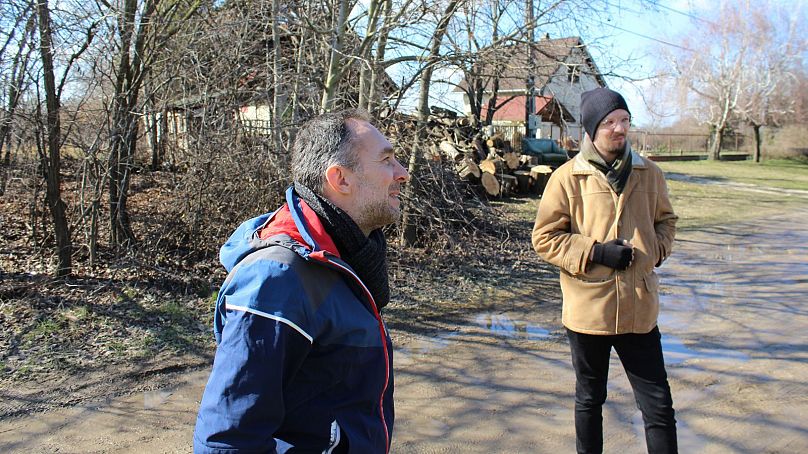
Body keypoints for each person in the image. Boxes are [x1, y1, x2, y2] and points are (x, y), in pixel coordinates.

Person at [193, 109, 409, 453]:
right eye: (387, 161)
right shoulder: (277, 279)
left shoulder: (346, 257)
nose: (402, 173)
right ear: (340, 179)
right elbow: (228, 440)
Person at [532, 87, 679, 453]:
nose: (619, 129)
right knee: (589, 400)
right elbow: (545, 237)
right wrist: (595, 252)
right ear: (591, 129)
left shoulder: (649, 173)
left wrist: (652, 254)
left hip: (639, 309)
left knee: (658, 406)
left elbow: (667, 221)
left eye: (624, 121)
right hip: (588, 311)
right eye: (610, 122)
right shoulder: (567, 178)